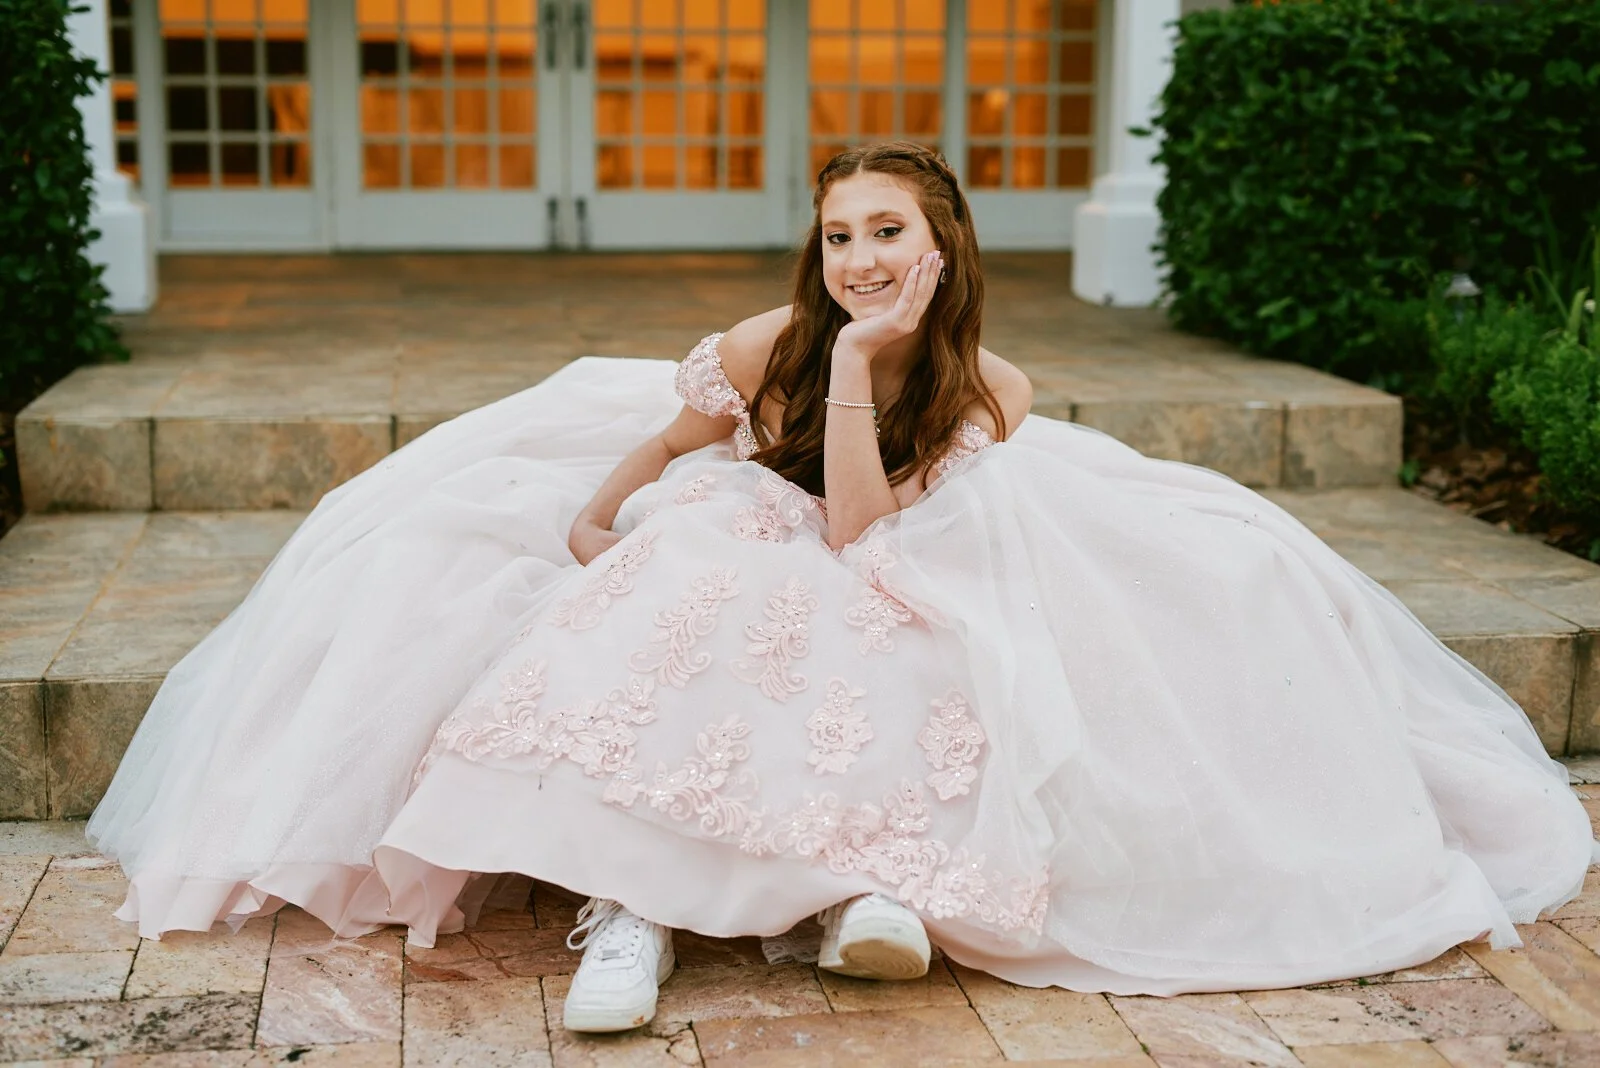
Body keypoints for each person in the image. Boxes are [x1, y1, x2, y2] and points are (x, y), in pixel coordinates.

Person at [88, 141, 1596, 1035]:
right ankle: (632, 909)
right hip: (739, 513)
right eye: (840, 236)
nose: (861, 255)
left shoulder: (981, 379)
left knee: (894, 634)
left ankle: (861, 896)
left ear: (942, 247)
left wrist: (876, 368)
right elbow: (652, 452)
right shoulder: (760, 343)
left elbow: (870, 528)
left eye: (890, 234)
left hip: (867, 534)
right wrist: (604, 521)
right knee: (705, 578)